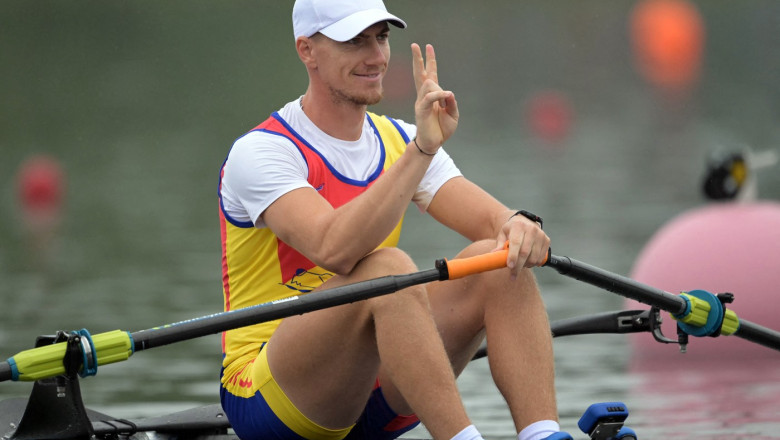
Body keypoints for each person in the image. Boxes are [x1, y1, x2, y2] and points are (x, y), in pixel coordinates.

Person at [217, 1, 569, 439]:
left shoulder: (399, 138)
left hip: (375, 391)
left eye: (381, 37)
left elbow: (491, 219)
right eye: (354, 41)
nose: (377, 56)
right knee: (388, 269)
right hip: (270, 399)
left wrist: (517, 224)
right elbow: (335, 249)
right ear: (307, 50)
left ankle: (543, 433)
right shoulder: (262, 152)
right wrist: (421, 151)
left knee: (498, 261)